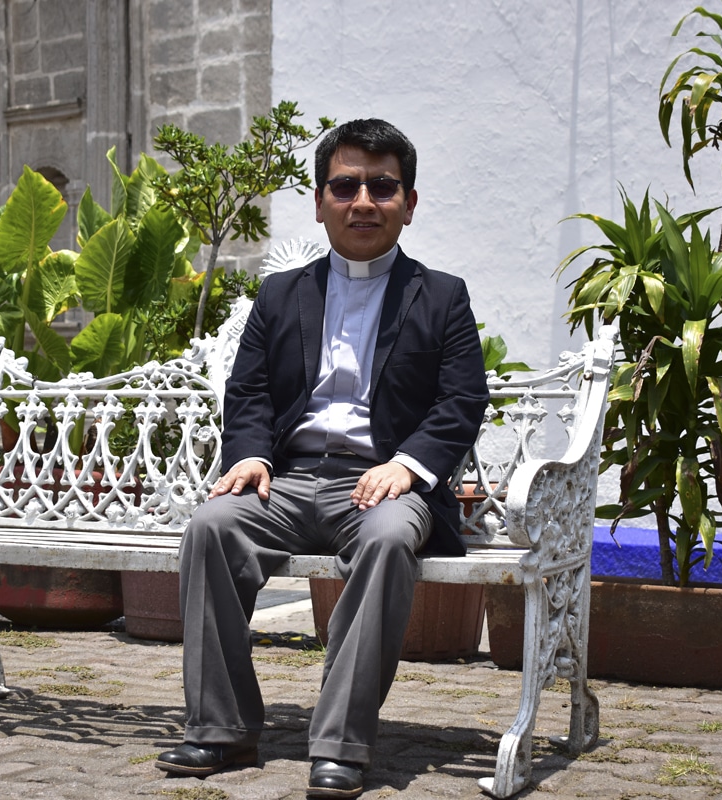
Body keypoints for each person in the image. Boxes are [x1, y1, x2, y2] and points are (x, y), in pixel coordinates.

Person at [155, 118, 489, 799]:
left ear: (409, 202)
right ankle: (221, 726)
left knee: (392, 539)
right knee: (211, 526)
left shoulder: (442, 296)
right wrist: (249, 455)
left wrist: (409, 466)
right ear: (319, 201)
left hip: (380, 487)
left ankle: (340, 743)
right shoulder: (282, 295)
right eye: (344, 185)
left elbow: (461, 401)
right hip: (287, 482)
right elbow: (246, 389)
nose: (362, 200)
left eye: (382, 186)